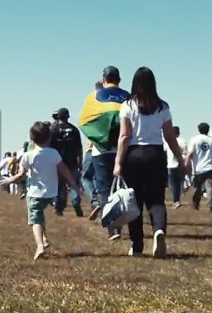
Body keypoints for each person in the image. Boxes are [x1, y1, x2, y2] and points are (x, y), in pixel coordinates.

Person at [114, 67, 182, 258]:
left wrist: (118, 163)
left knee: (134, 201)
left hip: (134, 155)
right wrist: (180, 157)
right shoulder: (163, 107)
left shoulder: (128, 106)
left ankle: (137, 246)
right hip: (155, 154)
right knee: (156, 199)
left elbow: (124, 136)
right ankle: (158, 230)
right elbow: (169, 136)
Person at [0, 122, 85, 260]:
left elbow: (21, 174)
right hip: (51, 193)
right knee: (40, 215)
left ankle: (40, 245)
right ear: (49, 137)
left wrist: (10, 180)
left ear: (31, 139)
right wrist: (74, 184)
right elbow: (63, 169)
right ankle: (44, 239)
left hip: (35, 193)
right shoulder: (54, 153)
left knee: (35, 220)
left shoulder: (28, 155)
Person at [79, 69, 130, 241]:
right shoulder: (128, 97)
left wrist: (101, 137)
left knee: (105, 189)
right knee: (121, 188)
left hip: (100, 151)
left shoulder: (93, 97)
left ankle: (113, 228)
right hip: (123, 149)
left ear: (103, 79)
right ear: (119, 79)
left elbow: (85, 121)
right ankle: (123, 221)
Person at [185, 123, 212, 211]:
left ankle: (195, 204)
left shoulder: (194, 140)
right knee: (210, 187)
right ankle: (210, 204)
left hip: (198, 168)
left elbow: (190, 154)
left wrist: (186, 164)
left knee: (197, 188)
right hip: (210, 167)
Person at [165, 126, 188, 209]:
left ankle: (176, 200)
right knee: (178, 183)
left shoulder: (168, 141)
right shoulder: (183, 141)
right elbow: (185, 152)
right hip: (181, 163)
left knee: (172, 184)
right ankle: (178, 198)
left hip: (171, 164)